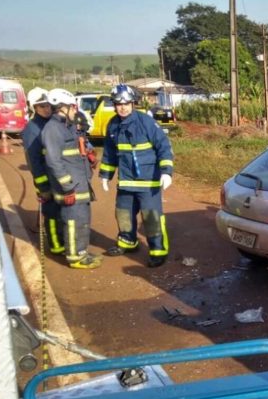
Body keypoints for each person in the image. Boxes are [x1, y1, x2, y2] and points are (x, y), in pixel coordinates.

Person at [99, 84, 174, 268]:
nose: (122, 107)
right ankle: (127, 242)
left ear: (133, 103)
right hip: (125, 182)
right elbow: (109, 152)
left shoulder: (145, 122)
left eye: (126, 103)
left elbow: (163, 147)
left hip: (148, 182)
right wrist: (105, 175)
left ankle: (158, 250)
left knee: (151, 217)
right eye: (118, 104)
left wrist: (166, 172)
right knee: (123, 214)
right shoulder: (113, 125)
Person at [41, 88, 102, 269]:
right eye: (73, 107)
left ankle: (81, 251)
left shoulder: (65, 126)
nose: (75, 110)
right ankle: (75, 257)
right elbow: (53, 161)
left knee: (82, 220)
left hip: (80, 183)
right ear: (62, 107)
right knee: (74, 222)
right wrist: (67, 185)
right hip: (71, 187)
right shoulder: (52, 129)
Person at [21, 87, 64, 256]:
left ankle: (63, 238)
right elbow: (34, 161)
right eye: (41, 106)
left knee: (62, 210)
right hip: (46, 178)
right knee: (52, 212)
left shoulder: (53, 122)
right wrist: (43, 186)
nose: (46, 109)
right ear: (34, 108)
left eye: (48, 105)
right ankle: (55, 244)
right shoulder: (32, 129)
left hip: (58, 176)